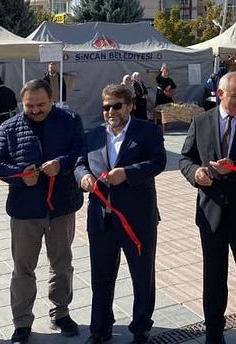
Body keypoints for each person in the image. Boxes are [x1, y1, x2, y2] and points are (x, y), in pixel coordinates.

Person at [179, 71, 236, 344]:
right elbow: (186, 158)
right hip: (212, 213)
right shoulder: (200, 122)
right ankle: (214, 333)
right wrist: (195, 174)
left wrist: (235, 167)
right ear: (220, 95)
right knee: (214, 276)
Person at [0, 79, 84, 344]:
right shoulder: (10, 126)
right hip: (24, 210)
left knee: (62, 265)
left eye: (41, 104)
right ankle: (22, 322)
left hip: (61, 206)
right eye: (29, 105)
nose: (35, 110)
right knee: (23, 269)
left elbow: (80, 151)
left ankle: (61, 312)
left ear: (52, 99)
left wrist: (62, 165)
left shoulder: (69, 120)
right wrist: (20, 176)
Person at [74, 84, 165, 344]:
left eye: (116, 105)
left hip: (137, 217)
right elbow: (80, 164)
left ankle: (140, 328)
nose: (110, 111)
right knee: (101, 276)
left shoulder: (147, 131)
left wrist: (128, 173)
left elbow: (157, 162)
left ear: (129, 106)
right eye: (106, 107)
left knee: (141, 275)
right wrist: (83, 178)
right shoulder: (91, 134)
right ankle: (100, 328)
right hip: (101, 217)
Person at [0, 74, 18, 139]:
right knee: (12, 136)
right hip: (13, 116)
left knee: (1, 137)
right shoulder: (10, 91)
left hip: (3, 118)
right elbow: (15, 105)